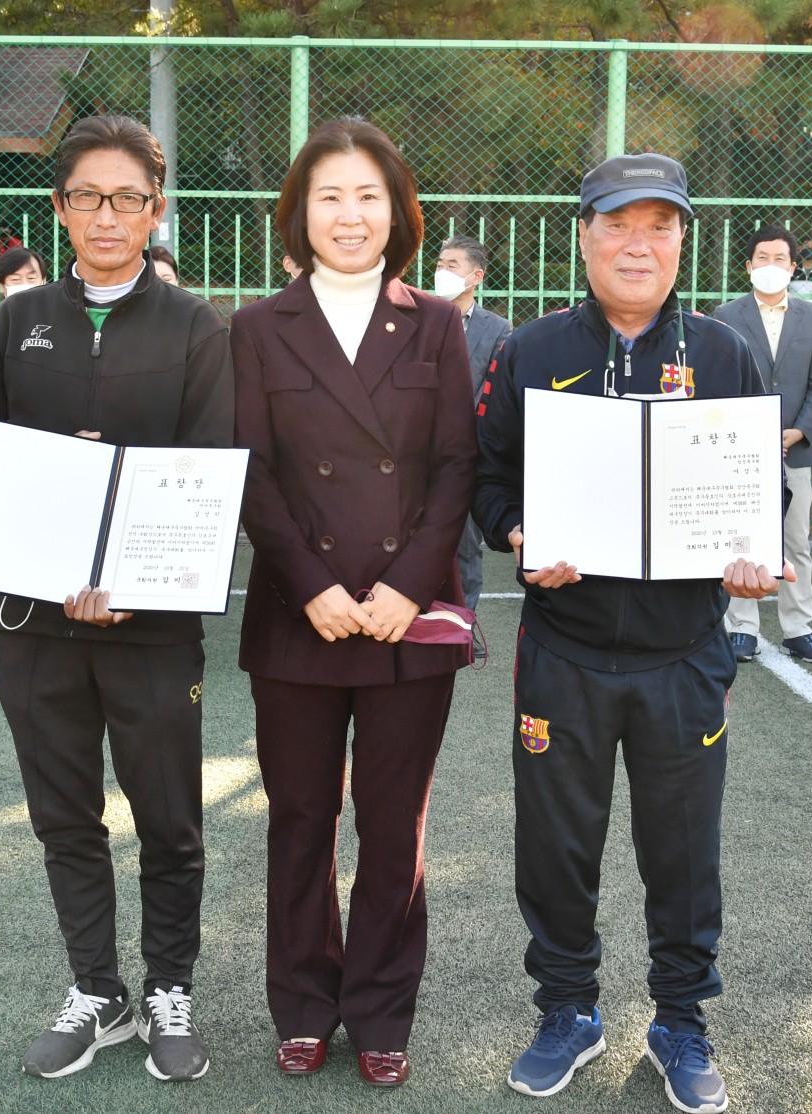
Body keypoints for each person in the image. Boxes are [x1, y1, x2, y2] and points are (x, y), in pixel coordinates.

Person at [475, 153, 789, 1114]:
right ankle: (567, 1010)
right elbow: (487, 480)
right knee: (556, 848)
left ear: (683, 240)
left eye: (660, 225)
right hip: (562, 650)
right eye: (617, 223)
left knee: (683, 852)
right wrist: (519, 535)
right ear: (584, 235)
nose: (637, 244)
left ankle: (680, 1021)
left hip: (683, 656)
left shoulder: (727, 353)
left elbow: (761, 491)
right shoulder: (530, 350)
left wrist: (750, 552)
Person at [0, 114, 232, 1084]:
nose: (109, 216)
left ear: (156, 209)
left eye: (128, 198)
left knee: (169, 818)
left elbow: (214, 472)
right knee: (65, 817)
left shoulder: (197, 328)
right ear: (60, 208)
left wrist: (135, 577)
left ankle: (168, 988)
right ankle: (97, 990)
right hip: (35, 623)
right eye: (89, 197)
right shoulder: (14, 323)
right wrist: (51, 473)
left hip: (154, 629)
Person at [231, 117, 476, 1088]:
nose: (349, 214)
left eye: (368, 195)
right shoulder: (256, 327)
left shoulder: (438, 322)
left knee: (392, 823)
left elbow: (456, 466)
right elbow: (251, 472)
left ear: (397, 212)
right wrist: (316, 586)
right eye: (328, 196)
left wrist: (405, 587)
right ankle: (302, 1003)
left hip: (406, 621)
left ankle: (379, 1011)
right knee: (299, 818)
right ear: (299, 214)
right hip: (300, 615)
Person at [714, 225, 812, 665]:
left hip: (793, 449)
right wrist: (750, 431)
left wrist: (799, 430)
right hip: (740, 450)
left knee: (795, 540)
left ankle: (798, 628)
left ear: (793, 266)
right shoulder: (725, 315)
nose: (771, 265)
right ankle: (741, 627)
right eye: (762, 257)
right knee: (740, 539)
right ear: (748, 266)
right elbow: (719, 380)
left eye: (779, 258)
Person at [435, 234, 512, 659]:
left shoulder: (497, 328)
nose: (442, 272)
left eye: (452, 265)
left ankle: (461, 627)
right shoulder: (417, 317)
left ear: (475, 276)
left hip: (466, 452)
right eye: (440, 264)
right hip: (416, 450)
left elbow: (494, 388)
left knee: (465, 544)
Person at [0, 247, 48, 345]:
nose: (25, 284)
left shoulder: (60, 323)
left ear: (43, 280)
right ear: (1, 285)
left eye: (31, 278)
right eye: (15, 279)